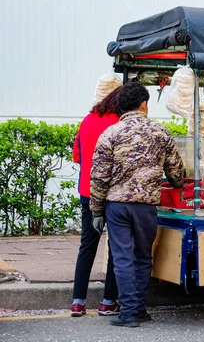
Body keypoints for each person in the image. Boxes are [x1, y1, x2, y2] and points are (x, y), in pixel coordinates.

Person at [90, 82, 184, 327]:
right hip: (146, 207)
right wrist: (174, 182)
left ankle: (129, 312)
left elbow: (99, 176)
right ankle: (139, 309)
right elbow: (176, 174)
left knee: (122, 257)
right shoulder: (161, 132)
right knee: (143, 257)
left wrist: (96, 210)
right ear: (143, 105)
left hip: (117, 206)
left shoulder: (110, 134)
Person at [71, 87, 122, 317]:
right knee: (115, 246)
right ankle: (108, 301)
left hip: (86, 192)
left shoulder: (87, 119)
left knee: (87, 245)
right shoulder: (119, 122)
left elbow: (77, 156)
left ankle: (78, 302)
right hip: (112, 194)